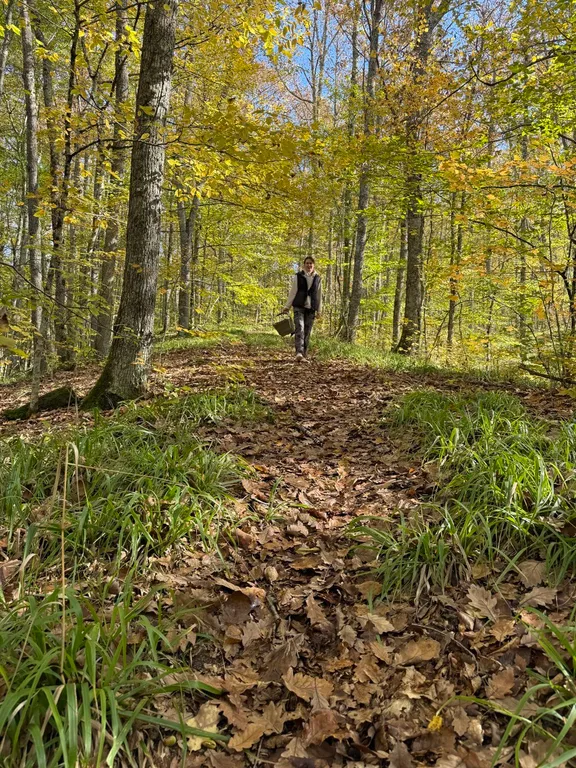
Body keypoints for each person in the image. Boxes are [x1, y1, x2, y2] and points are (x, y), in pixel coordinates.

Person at [282, 256, 322, 361]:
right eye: (307, 263)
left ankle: (304, 353)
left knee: (307, 331)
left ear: (313, 265)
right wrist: (287, 306)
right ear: (304, 265)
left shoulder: (318, 278)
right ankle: (299, 352)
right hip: (299, 306)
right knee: (300, 327)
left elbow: (319, 295)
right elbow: (293, 291)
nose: (309, 265)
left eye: (311, 263)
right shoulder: (298, 276)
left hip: (311, 308)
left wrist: (319, 310)